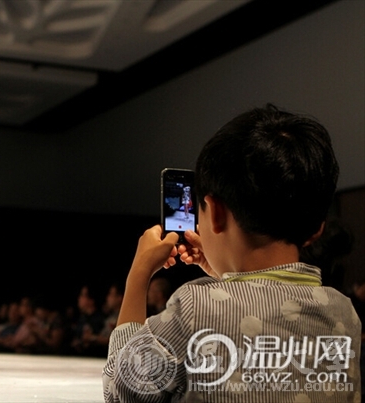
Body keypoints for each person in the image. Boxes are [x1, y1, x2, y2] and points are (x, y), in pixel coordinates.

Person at [103, 104, 361, 402]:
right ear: (317, 227)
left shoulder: (195, 306)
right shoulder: (345, 313)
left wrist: (139, 275)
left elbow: (121, 391)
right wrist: (227, 278)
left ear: (214, 213)